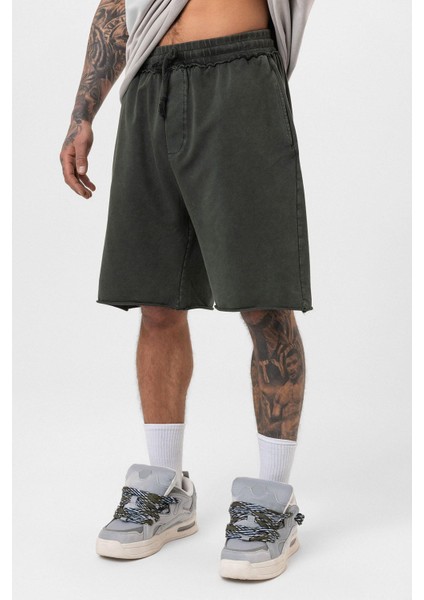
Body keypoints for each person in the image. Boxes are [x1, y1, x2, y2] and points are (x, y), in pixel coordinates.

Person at [60, 0, 314, 581]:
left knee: (264, 300)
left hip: (240, 74)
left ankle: (273, 501)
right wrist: (82, 114)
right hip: (149, 80)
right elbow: (115, 7)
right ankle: (165, 488)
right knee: (156, 300)